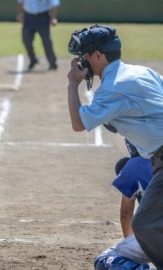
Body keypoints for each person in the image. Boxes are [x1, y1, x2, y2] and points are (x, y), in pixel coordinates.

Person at [66, 24, 163, 269]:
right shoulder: (142, 72)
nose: (81, 63)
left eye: (84, 56)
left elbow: (79, 123)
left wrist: (72, 84)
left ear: (98, 55)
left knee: (144, 225)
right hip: (158, 159)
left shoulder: (111, 88)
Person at [94, 140, 153, 270]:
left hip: (154, 237)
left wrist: (132, 243)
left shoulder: (135, 164)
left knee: (104, 260)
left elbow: (126, 215)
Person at [16, 0, 59, 71]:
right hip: (28, 17)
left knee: (46, 41)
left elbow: (53, 4)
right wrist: (20, 14)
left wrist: (53, 17)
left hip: (43, 17)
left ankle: (52, 63)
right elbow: (21, 3)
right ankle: (33, 59)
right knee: (26, 39)